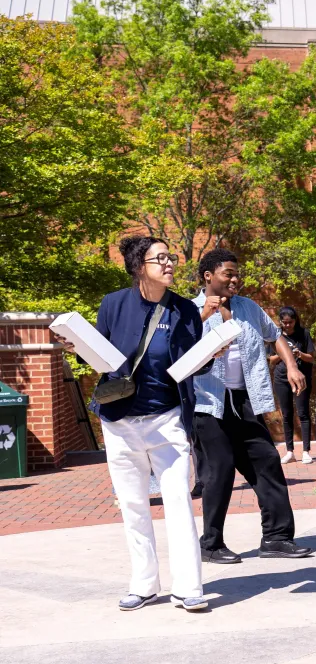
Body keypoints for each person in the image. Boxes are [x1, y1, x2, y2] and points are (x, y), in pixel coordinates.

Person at [69, 236, 209, 611]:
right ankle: (144, 584)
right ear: (138, 266)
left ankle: (188, 587)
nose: (169, 263)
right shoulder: (113, 304)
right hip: (120, 421)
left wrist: (214, 352)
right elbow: (103, 359)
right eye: (160, 258)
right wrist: (79, 349)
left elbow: (196, 363)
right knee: (132, 504)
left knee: (178, 499)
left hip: (166, 419)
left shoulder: (184, 310)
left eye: (171, 257)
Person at [192, 249, 312, 563]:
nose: (235, 279)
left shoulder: (248, 307)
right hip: (209, 402)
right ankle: (211, 544)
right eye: (228, 273)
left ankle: (276, 538)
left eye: (236, 273)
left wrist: (293, 366)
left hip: (245, 400)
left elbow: (276, 336)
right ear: (208, 276)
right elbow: (177, 351)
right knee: (219, 470)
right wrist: (203, 319)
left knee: (267, 463)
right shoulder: (190, 311)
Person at [270, 306, 315, 464]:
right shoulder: (275, 336)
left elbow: (311, 357)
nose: (287, 325)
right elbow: (271, 359)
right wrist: (285, 354)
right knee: (287, 415)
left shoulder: (304, 334)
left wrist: (299, 354)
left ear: (296, 320)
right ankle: (289, 451)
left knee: (303, 413)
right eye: (284, 322)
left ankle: (306, 451)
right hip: (282, 378)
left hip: (301, 377)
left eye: (290, 322)